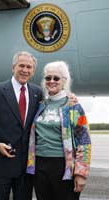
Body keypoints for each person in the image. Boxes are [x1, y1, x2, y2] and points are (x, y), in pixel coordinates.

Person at [0, 51, 43, 200]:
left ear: (33, 71)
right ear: (13, 67)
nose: (25, 70)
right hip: (0, 164)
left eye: (29, 67)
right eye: (21, 66)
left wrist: (69, 98)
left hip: (26, 167)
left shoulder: (38, 93)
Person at [27, 61, 91, 200]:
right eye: (48, 78)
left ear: (64, 80)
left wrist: (81, 173)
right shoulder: (40, 105)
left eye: (56, 78)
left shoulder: (74, 106)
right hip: (40, 165)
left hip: (64, 166)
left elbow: (84, 141)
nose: (51, 81)